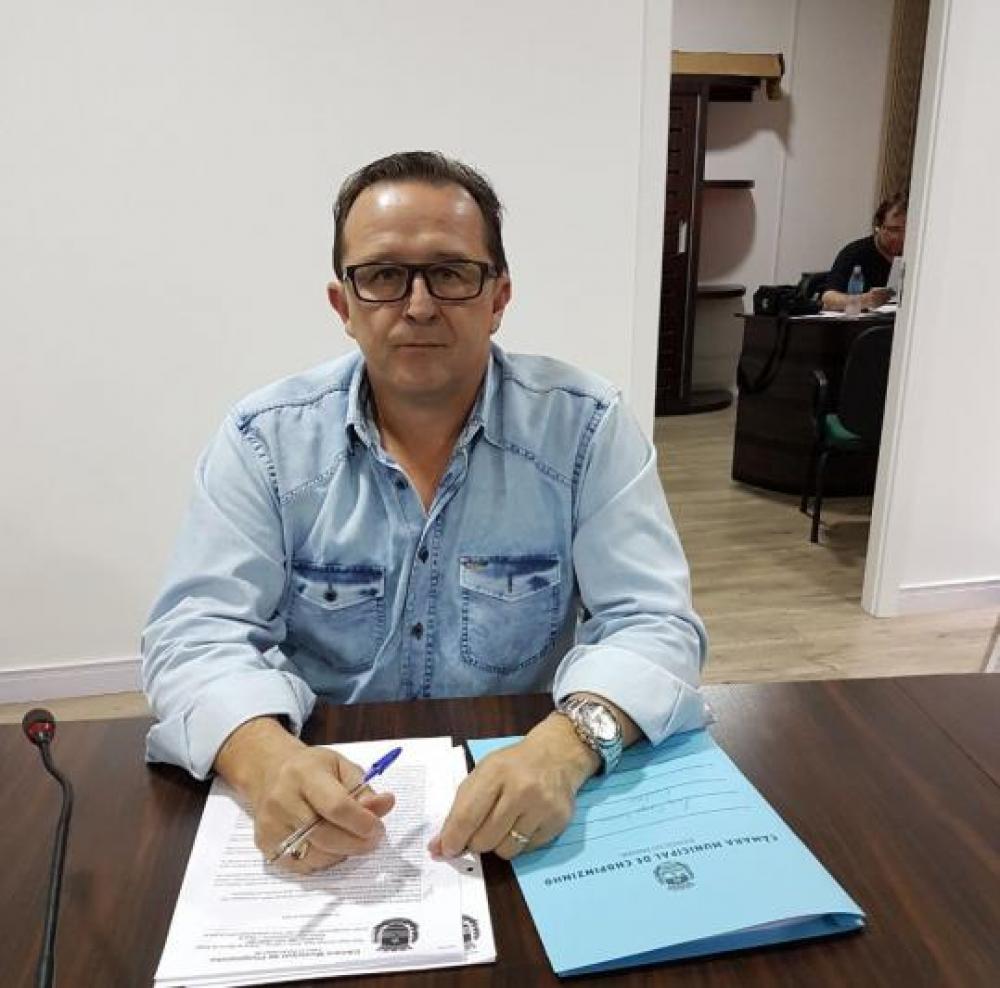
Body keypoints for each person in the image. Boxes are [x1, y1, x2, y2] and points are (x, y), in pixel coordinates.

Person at [142, 151, 709, 874]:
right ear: (343, 306)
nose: (417, 306)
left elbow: (654, 621)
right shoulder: (264, 441)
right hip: (329, 803)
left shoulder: (586, 428)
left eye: (451, 273)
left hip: (522, 795)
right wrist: (265, 759)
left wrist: (564, 749)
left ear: (498, 297)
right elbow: (196, 632)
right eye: (383, 276)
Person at [821, 193, 907, 312]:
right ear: (878, 227)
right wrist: (865, 300)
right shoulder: (854, 253)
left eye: (906, 230)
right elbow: (828, 299)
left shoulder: (915, 255)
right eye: (893, 229)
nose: (900, 237)